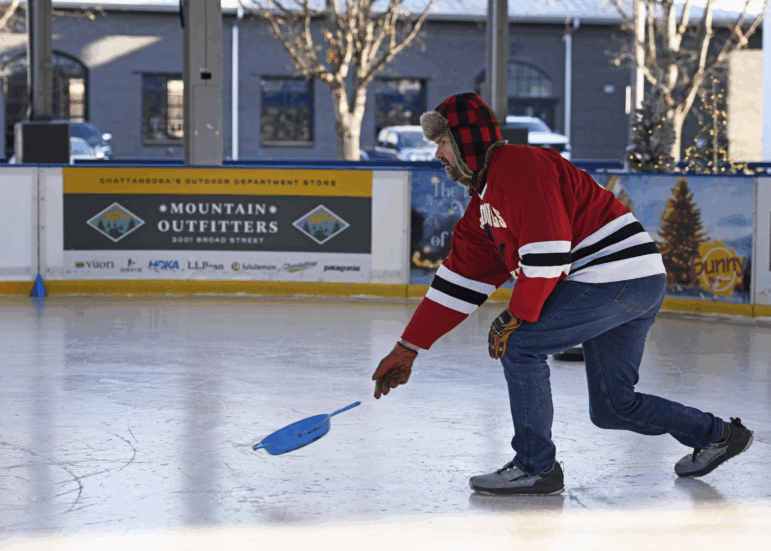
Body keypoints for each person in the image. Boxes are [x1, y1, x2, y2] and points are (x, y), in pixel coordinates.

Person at [371, 92, 754, 496]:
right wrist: (408, 347)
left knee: (519, 345)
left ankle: (535, 466)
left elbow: (549, 250)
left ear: (466, 140)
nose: (438, 155)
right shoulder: (482, 206)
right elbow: (457, 283)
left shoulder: (520, 165)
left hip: (617, 277)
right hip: (634, 280)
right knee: (612, 406)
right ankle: (718, 434)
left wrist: (516, 315)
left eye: (443, 144)